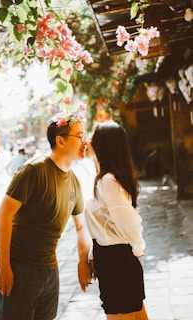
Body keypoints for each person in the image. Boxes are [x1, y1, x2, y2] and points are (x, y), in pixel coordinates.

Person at [0, 111, 93, 320]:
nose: (85, 141)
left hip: (49, 269)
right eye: (80, 136)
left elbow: (81, 227)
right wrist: (4, 267)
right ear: (60, 141)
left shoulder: (74, 180)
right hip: (19, 267)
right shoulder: (34, 170)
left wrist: (82, 260)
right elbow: (2, 215)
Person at [84, 120, 148, 320]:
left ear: (103, 145)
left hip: (117, 262)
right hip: (113, 260)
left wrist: (137, 248)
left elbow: (129, 220)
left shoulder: (108, 181)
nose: (86, 140)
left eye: (91, 137)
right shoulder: (103, 178)